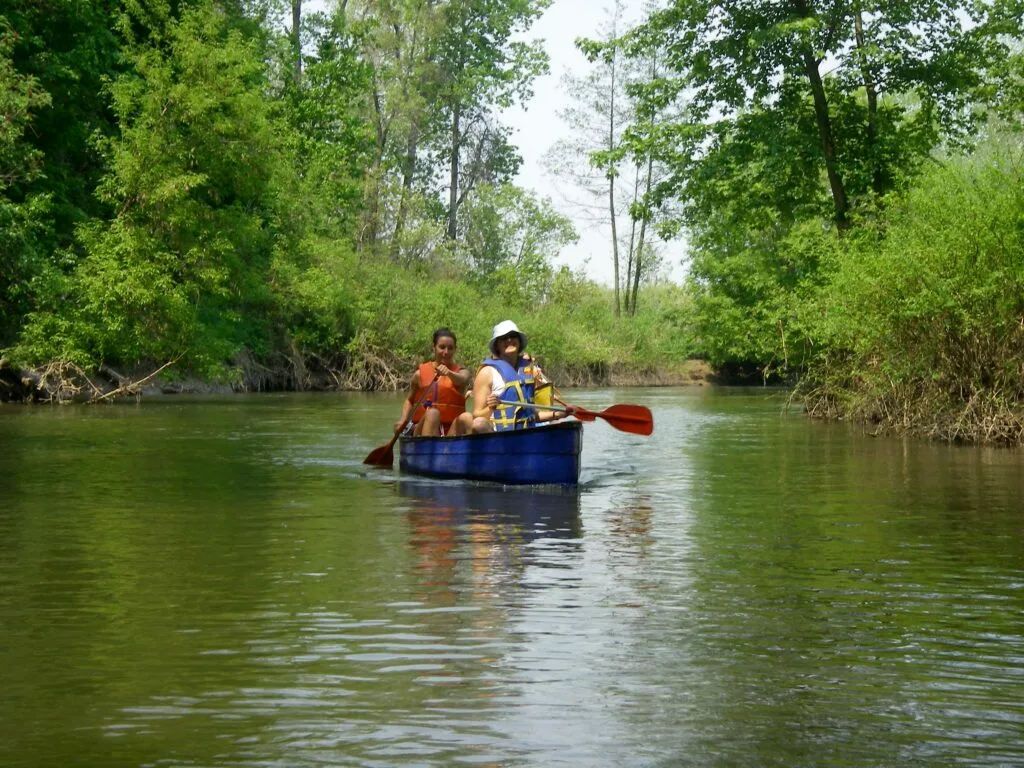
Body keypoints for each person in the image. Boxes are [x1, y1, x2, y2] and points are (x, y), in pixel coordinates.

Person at [470, 320, 570, 433]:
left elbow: (531, 415)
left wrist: (559, 414)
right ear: (497, 345)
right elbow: (477, 415)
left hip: (526, 432)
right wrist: (491, 408)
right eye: (504, 338)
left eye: (513, 336)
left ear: (519, 341)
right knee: (478, 424)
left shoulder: (528, 371)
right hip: (497, 434)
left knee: (560, 424)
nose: (509, 340)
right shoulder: (487, 373)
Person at [395, 328, 474, 437]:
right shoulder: (419, 374)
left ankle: (471, 451)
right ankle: (428, 451)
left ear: (455, 350)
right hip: (422, 428)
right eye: (442, 347)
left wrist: (449, 373)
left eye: (450, 348)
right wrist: (403, 421)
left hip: (450, 431)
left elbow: (463, 379)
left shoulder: (462, 372)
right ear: (434, 348)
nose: (446, 352)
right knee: (432, 414)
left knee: (467, 417)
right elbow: (409, 400)